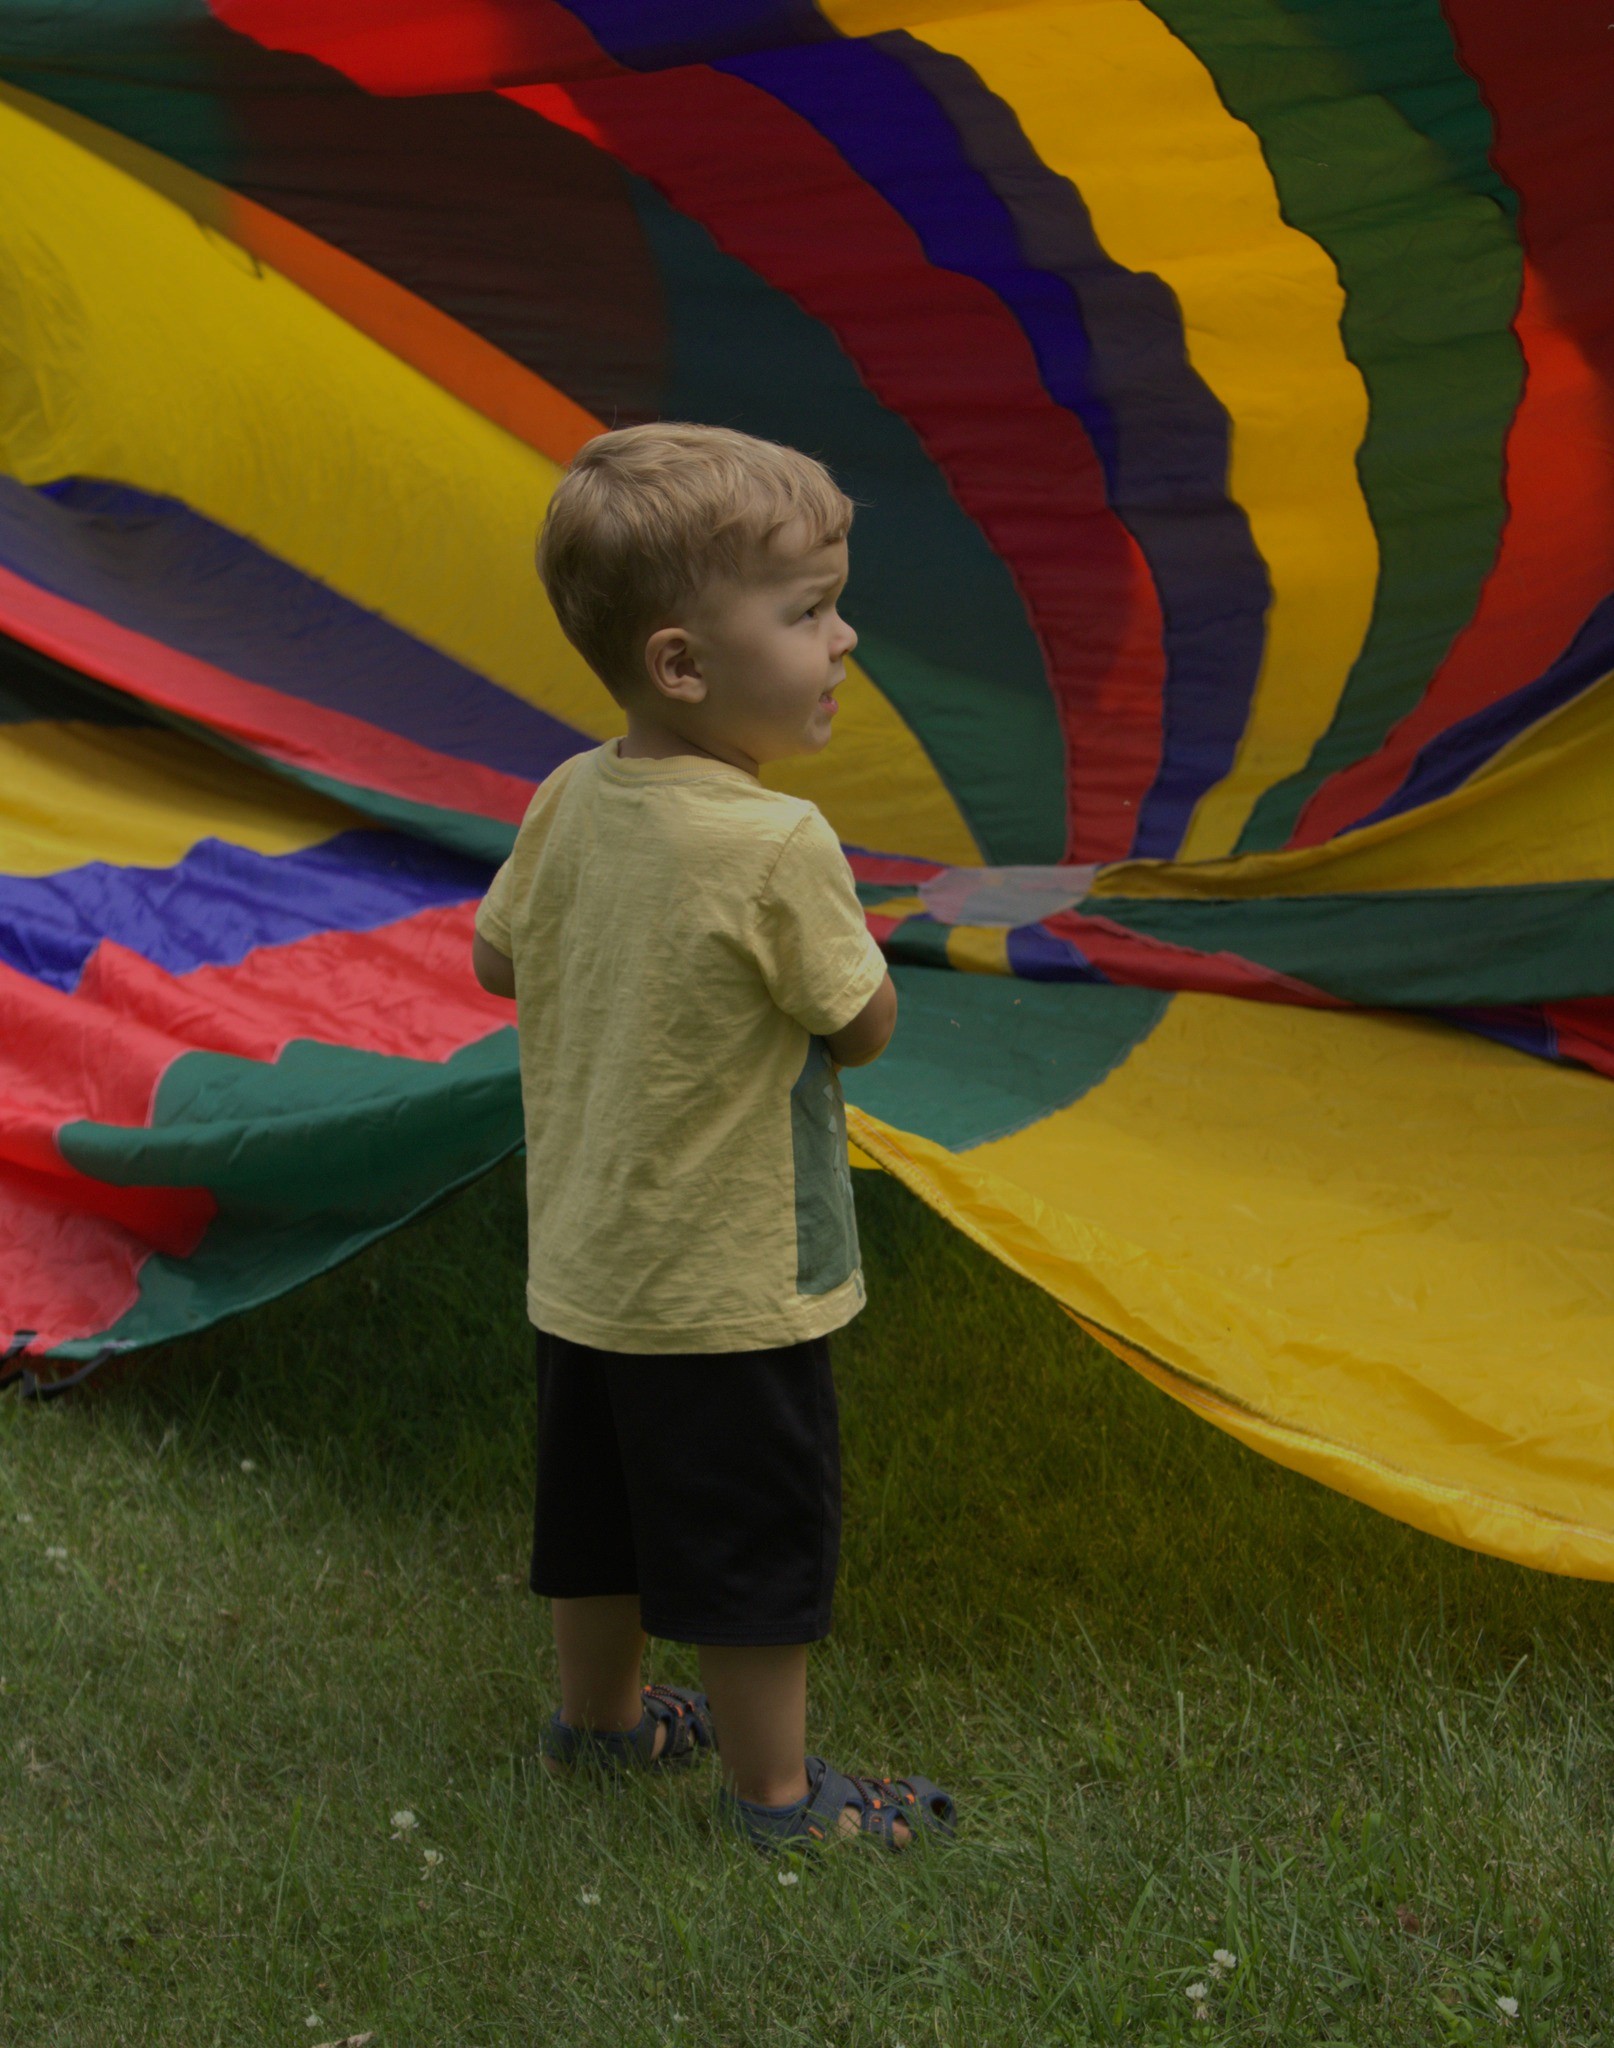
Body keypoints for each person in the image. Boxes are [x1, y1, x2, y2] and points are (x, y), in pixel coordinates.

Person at [471, 422, 955, 1851]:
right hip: (733, 1282)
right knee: (754, 1541)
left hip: (589, 1263)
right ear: (684, 663)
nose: (844, 637)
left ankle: (602, 1722)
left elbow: (500, 962)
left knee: (599, 1518)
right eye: (807, 611)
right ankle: (777, 1797)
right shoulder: (777, 843)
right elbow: (859, 1025)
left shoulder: (565, 796)